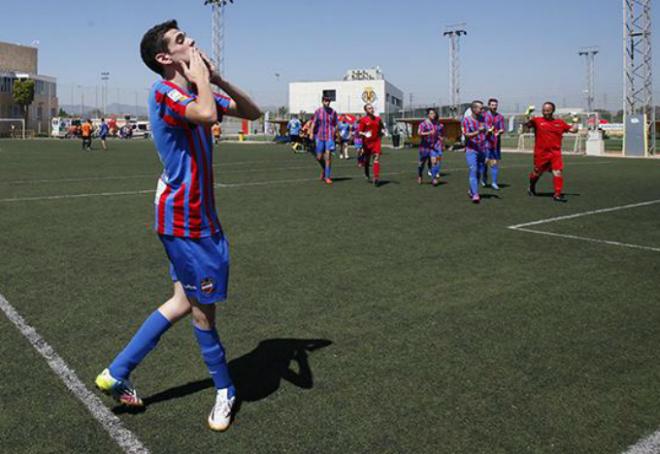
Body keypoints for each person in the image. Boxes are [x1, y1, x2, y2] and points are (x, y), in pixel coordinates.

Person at [94, 19, 261, 432]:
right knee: (204, 312)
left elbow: (253, 113)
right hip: (186, 221)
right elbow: (206, 112)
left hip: (197, 216)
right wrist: (202, 77)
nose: (193, 43)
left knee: (182, 300)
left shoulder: (191, 90)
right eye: (183, 41)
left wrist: (216, 78)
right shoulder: (167, 91)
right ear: (165, 58)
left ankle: (117, 371)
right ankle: (225, 390)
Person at [526, 102, 579, 202]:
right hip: (541, 153)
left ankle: (557, 194)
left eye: (548, 110)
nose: (545, 112)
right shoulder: (537, 121)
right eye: (544, 110)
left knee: (557, 172)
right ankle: (532, 185)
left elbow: (573, 130)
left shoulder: (560, 123)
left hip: (555, 153)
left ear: (552, 111)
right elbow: (527, 124)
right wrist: (528, 114)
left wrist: (575, 120)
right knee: (537, 172)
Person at [461, 101, 489, 203]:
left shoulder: (483, 119)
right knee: (473, 170)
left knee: (479, 172)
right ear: (474, 109)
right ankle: (476, 194)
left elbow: (485, 132)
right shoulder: (466, 121)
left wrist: (488, 131)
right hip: (471, 149)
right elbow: (466, 135)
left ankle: (471, 189)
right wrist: (478, 131)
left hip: (482, 149)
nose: (482, 110)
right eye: (480, 108)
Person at [311, 96, 337, 184]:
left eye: (329, 101)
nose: (327, 102)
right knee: (319, 157)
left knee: (328, 157)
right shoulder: (318, 111)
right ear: (322, 101)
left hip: (329, 137)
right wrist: (311, 132)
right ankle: (324, 169)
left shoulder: (333, 112)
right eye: (326, 101)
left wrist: (336, 134)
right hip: (319, 136)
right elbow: (313, 122)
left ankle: (327, 176)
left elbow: (335, 124)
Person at [358, 103, 385, 186]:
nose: (371, 109)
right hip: (366, 142)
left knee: (376, 158)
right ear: (366, 110)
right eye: (369, 108)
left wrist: (383, 132)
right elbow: (359, 132)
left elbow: (382, 128)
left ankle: (376, 178)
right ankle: (366, 172)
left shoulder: (378, 119)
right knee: (367, 160)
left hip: (376, 141)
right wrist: (365, 134)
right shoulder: (363, 120)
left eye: (372, 108)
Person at [417, 108, 444, 186]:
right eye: (431, 113)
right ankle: (420, 175)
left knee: (435, 161)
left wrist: (441, 138)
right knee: (421, 163)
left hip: (435, 147)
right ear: (428, 114)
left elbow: (440, 134)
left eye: (434, 113)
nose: (433, 115)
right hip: (425, 146)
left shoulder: (438, 124)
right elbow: (419, 133)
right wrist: (428, 132)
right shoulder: (423, 124)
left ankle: (434, 178)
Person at [483, 99, 505, 189]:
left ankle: (494, 182)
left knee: (494, 163)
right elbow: (482, 127)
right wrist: (487, 130)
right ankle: (484, 178)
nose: (494, 106)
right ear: (489, 105)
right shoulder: (483, 116)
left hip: (495, 143)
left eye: (495, 105)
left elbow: (502, 129)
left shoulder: (500, 117)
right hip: (485, 143)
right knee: (485, 162)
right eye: (492, 105)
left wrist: (499, 132)